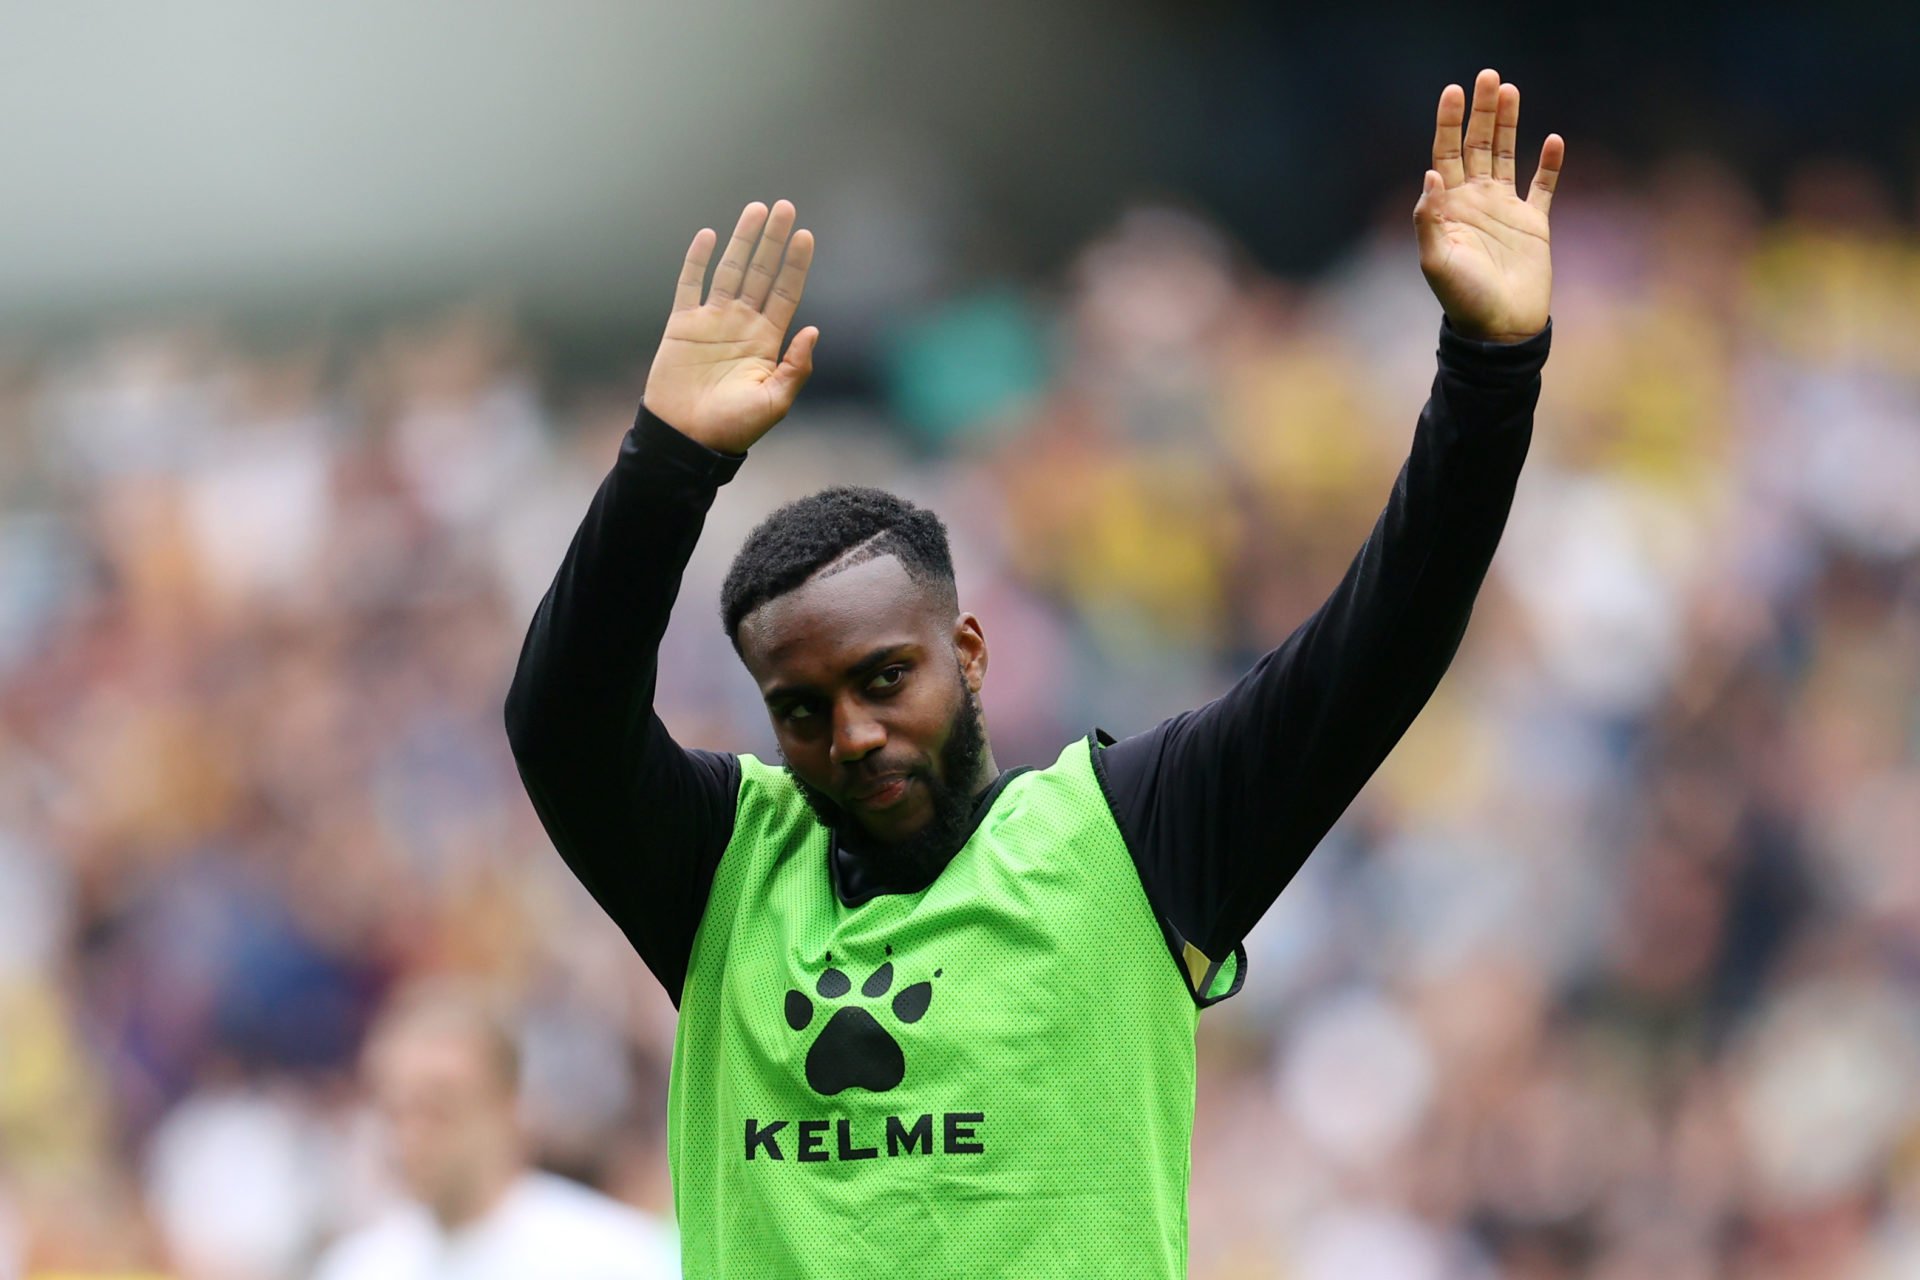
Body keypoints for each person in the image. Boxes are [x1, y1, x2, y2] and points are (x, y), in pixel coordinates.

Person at [505, 70, 1563, 1278]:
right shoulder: (724, 872)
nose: (851, 733)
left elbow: (1384, 642)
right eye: (801, 709)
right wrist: (665, 462)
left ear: (967, 651)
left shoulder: (1136, 839)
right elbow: (559, 723)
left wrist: (1491, 367)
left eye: (884, 677)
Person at [310, 984, 677, 1279]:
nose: (410, 1134)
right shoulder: (358, 1266)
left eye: (439, 1108)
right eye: (396, 1110)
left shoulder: (616, 1258)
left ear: (509, 1108)